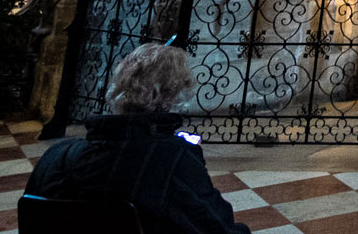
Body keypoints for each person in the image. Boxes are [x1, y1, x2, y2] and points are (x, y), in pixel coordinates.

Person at [24, 42, 249, 233]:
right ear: (173, 97)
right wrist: (186, 158)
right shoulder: (171, 160)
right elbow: (218, 227)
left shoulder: (54, 157)